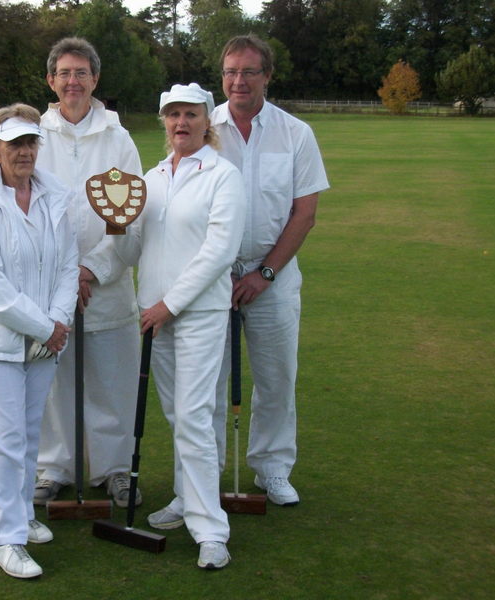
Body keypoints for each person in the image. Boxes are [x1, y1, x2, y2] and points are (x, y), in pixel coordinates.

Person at [84, 83, 246, 570]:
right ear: (164, 122)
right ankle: (184, 496)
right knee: (180, 417)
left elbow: (220, 253)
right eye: (173, 115)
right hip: (155, 315)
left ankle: (211, 529)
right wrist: (117, 225)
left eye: (191, 115)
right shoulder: (150, 179)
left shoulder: (224, 176)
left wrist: (170, 305)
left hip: (196, 314)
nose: (182, 123)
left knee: (194, 417)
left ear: (207, 122)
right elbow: (134, 251)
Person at [0, 104, 79, 579]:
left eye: (30, 143)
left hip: (46, 338)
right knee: (7, 439)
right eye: (14, 145)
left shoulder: (54, 197)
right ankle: (3, 540)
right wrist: (47, 326)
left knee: (29, 437)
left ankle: (22, 516)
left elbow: (68, 264)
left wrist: (58, 319)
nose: (24, 152)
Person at [211, 34, 330, 506]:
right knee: (208, 383)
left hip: (273, 279)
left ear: (267, 76)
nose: (239, 81)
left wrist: (265, 274)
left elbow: (305, 212)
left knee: (277, 377)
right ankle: (205, 471)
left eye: (249, 72)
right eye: (231, 72)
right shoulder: (203, 129)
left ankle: (273, 469)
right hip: (212, 279)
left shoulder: (295, 133)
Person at [34, 37, 144, 508]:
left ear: (95, 80)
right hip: (47, 288)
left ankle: (114, 470)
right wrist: (62, 275)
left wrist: (92, 269)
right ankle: (53, 468)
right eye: (65, 73)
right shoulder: (32, 137)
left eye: (82, 73)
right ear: (51, 81)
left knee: (112, 382)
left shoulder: (118, 140)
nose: (73, 81)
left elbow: (130, 219)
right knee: (51, 384)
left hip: (108, 287)